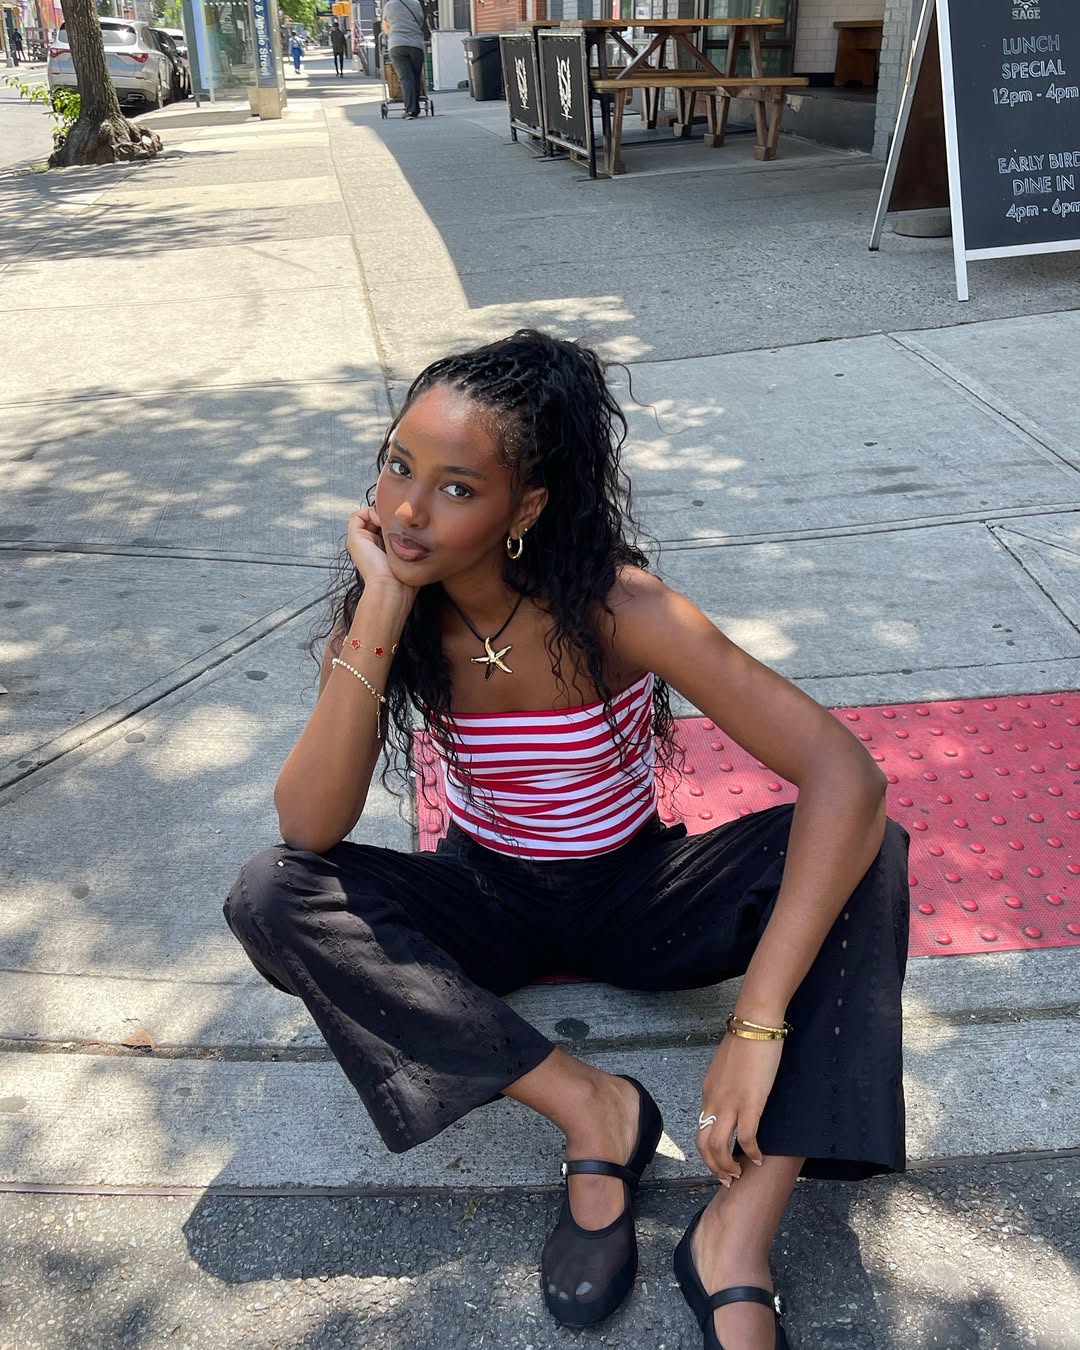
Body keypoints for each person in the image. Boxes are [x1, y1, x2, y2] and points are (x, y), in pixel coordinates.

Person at [224, 330, 910, 1350]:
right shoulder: (398, 618)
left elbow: (843, 773)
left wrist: (756, 1022)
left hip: (639, 894)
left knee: (870, 846)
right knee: (271, 892)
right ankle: (594, 1111)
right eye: (399, 466)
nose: (409, 508)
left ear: (525, 509)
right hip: (489, 900)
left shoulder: (618, 609)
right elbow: (309, 827)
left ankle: (738, 1232)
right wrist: (380, 600)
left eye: (457, 487)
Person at [381, 0, 426, 119]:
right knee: (416, 76)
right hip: (416, 44)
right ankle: (415, 108)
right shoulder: (416, 3)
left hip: (397, 44)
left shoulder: (389, 5)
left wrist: (390, 33)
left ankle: (410, 110)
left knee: (406, 78)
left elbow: (385, 25)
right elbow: (420, 21)